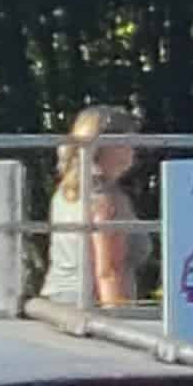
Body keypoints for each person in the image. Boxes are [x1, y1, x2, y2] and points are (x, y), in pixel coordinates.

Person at [43, 106, 145, 310]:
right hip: (92, 308)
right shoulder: (105, 197)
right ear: (102, 146)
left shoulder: (66, 191)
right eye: (125, 142)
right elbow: (108, 271)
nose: (132, 149)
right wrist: (120, 324)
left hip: (55, 304)